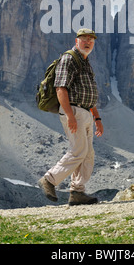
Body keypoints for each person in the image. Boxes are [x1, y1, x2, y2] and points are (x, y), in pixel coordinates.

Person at [38, 28, 104, 206]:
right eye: (84, 39)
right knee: (78, 150)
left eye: (91, 39)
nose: (88, 42)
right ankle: (49, 180)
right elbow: (61, 88)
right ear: (77, 41)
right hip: (73, 111)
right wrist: (70, 116)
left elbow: (88, 93)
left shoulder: (85, 61)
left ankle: (77, 192)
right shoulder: (69, 59)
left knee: (88, 154)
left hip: (86, 113)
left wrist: (97, 118)